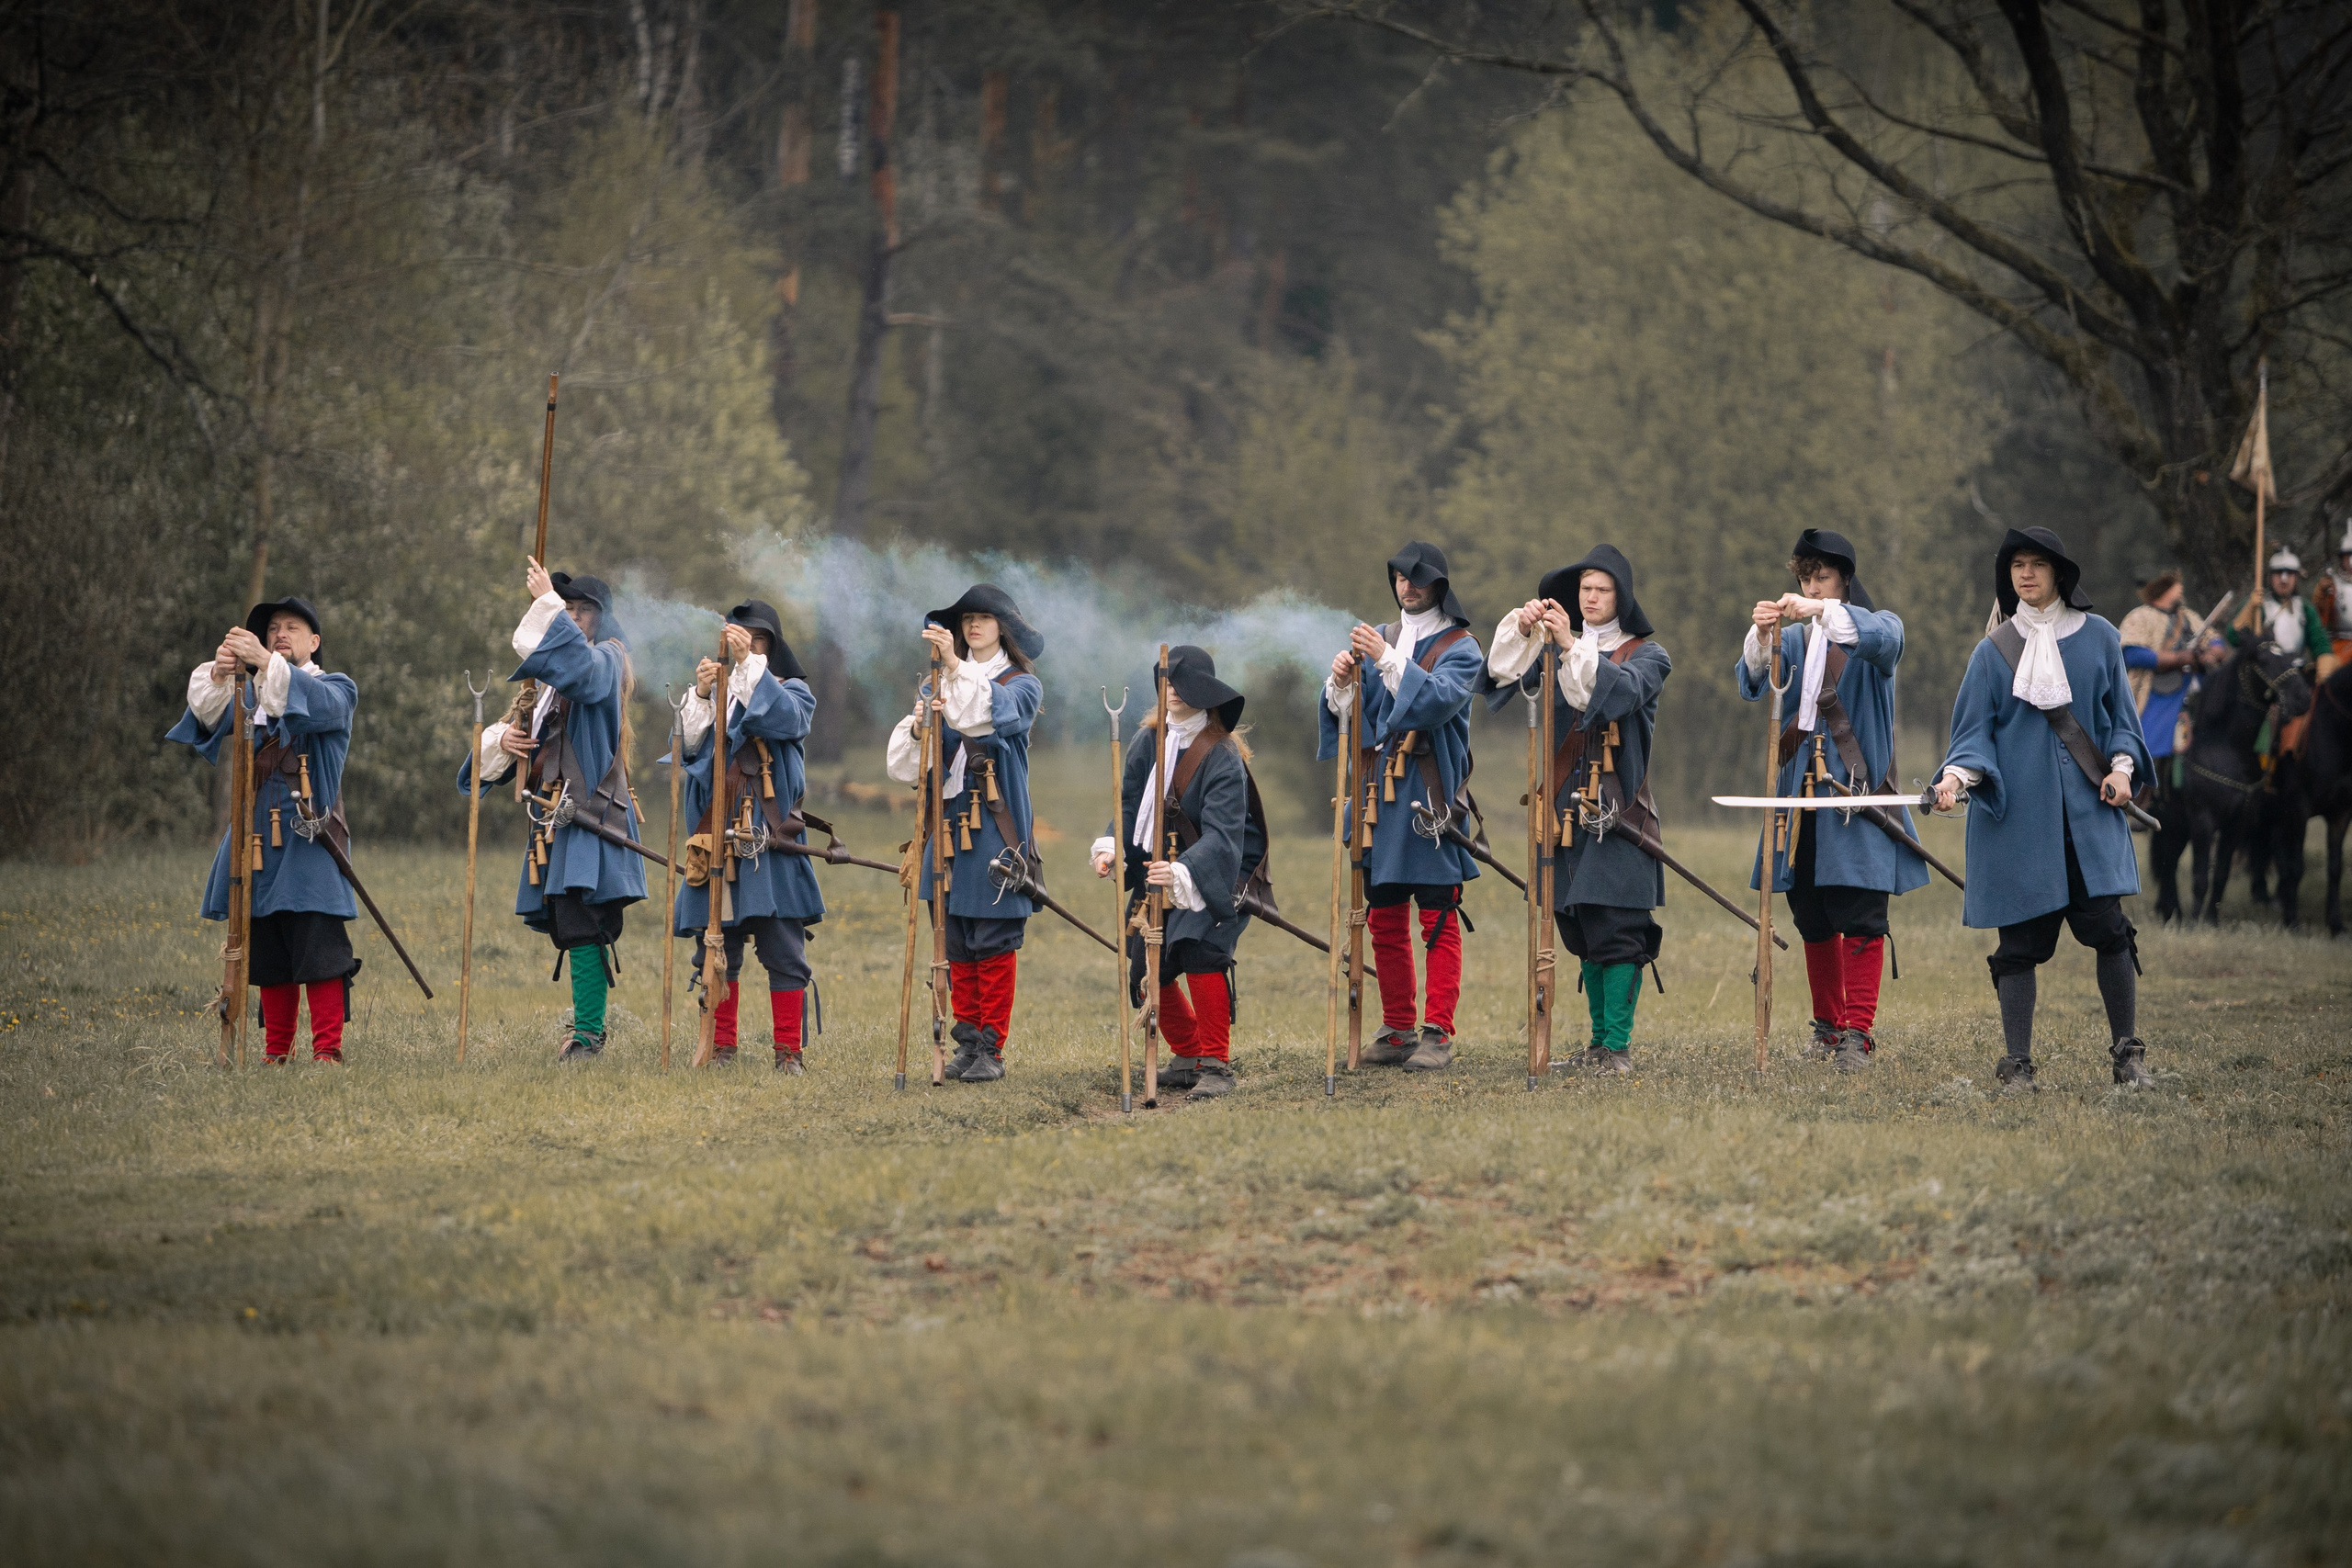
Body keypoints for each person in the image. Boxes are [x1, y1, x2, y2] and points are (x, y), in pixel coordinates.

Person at [1930, 527, 2154, 1094]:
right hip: (2019, 825)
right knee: (2019, 948)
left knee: (2109, 931)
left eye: (2036, 565)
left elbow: (2124, 723)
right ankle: (2017, 1066)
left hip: (2089, 818)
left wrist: (2122, 772)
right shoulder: (1992, 652)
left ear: (2058, 574)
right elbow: (1972, 737)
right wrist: (1955, 780)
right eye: (2016, 566)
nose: (2025, 574)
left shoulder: (2101, 638)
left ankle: (2128, 1053)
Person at [1735, 530, 1925, 1071]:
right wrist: (1762, 633)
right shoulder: (1792, 642)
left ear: (1844, 579)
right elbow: (1751, 681)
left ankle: (1857, 1034)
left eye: (1822, 577)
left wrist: (1817, 608)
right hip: (1799, 796)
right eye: (1805, 578)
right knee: (1811, 912)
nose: (1811, 586)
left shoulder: (1879, 628)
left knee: (1861, 910)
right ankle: (1828, 1027)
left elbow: (1882, 643)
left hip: (1856, 795)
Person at [1487, 545, 1671, 1074]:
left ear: (1622, 597)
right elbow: (1500, 675)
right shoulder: (1554, 649)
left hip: (1620, 810)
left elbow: (1615, 696)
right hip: (1565, 810)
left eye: (1602, 589)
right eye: (1585, 588)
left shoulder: (1648, 657)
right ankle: (1596, 1046)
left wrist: (1568, 643)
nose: (1591, 597)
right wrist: (1526, 632)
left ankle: (1616, 1048)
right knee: (1579, 925)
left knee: (1618, 925)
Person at [462, 562, 647, 1062]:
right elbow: (483, 769)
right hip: (555, 818)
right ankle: (586, 1028)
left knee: (584, 921)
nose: (574, 618)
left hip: (593, 815)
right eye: (567, 609)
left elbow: (582, 674)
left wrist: (545, 605)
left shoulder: (607, 660)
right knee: (569, 922)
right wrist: (506, 740)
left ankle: (589, 1035)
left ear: (602, 622)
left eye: (584, 611)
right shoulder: (545, 688)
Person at [167, 597, 360, 1063]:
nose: (280, 633)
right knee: (269, 952)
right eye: (273, 627)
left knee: (319, 952)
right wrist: (219, 674)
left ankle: (326, 1054)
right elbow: (207, 719)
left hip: (311, 838)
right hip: (255, 842)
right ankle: (277, 1053)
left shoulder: (336, 688)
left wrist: (263, 663)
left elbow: (310, 704)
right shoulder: (251, 694)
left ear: (314, 642)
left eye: (292, 627)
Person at [1317, 542, 1485, 1073]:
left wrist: (1387, 661)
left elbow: (1436, 701)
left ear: (1437, 584)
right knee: (1385, 918)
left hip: (1431, 800)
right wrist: (1342, 685)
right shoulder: (1382, 642)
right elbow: (1361, 723)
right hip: (1378, 801)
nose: (1405, 587)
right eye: (1398, 578)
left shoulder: (1463, 647)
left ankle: (1437, 1033)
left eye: (1415, 579)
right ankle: (1397, 1029)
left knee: (1438, 917)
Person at [1091, 647, 1268, 1101]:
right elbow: (1128, 806)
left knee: (1199, 950)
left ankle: (1216, 1064)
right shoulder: (1145, 743)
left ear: (1202, 691)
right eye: (1165, 683)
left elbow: (1225, 834)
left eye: (1179, 684)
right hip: (1156, 867)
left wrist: (1184, 871)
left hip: (1213, 870)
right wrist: (1112, 847)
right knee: (1143, 961)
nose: (1169, 692)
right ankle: (1188, 1054)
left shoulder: (1222, 755)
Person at [885, 585, 1046, 1083]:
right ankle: (969, 1040)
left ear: (1004, 629)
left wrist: (954, 667)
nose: (974, 626)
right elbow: (907, 768)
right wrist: (917, 730)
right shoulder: (938, 684)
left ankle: (992, 1049)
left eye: (984, 618)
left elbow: (983, 716)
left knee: (992, 936)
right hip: (949, 823)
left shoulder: (1021, 685)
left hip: (994, 826)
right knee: (953, 936)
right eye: (968, 619)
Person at [673, 601, 821, 1072]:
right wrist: (700, 694)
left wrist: (745, 666)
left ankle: (788, 1053)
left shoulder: (793, 691)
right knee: (717, 947)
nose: (746, 647)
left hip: (770, 838)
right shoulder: (719, 695)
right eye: (739, 639)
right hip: (715, 836)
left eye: (756, 641)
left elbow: (783, 720)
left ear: (770, 648)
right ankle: (721, 1047)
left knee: (783, 948)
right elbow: (686, 751)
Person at [2314, 524, 2352, 676]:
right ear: (2342, 559)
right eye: (2348, 556)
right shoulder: (2333, 585)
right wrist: (2323, 595)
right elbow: (2320, 620)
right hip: (2339, 646)